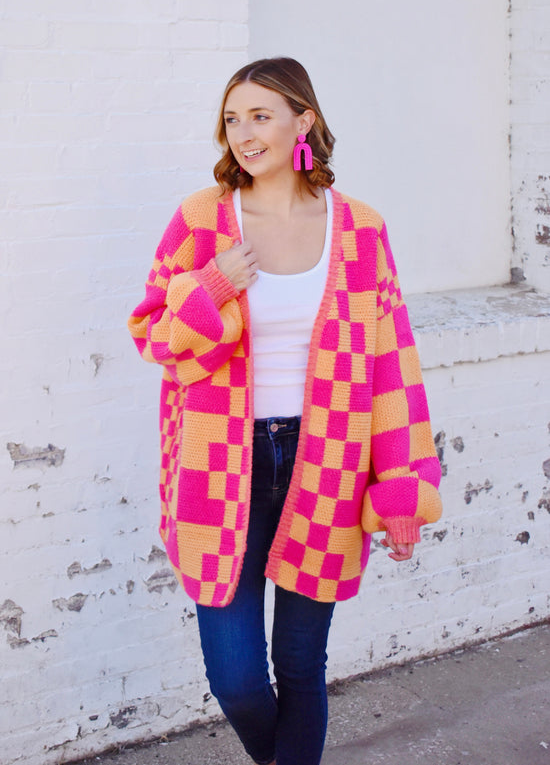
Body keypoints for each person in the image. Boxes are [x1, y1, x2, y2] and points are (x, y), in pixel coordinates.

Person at [128, 57, 442, 765]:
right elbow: (153, 335)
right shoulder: (201, 219)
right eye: (232, 118)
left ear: (304, 120)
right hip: (219, 465)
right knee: (237, 677)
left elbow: (391, 361)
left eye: (260, 115)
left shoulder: (360, 229)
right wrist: (208, 287)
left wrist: (399, 482)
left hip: (325, 459)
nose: (243, 133)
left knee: (300, 666)